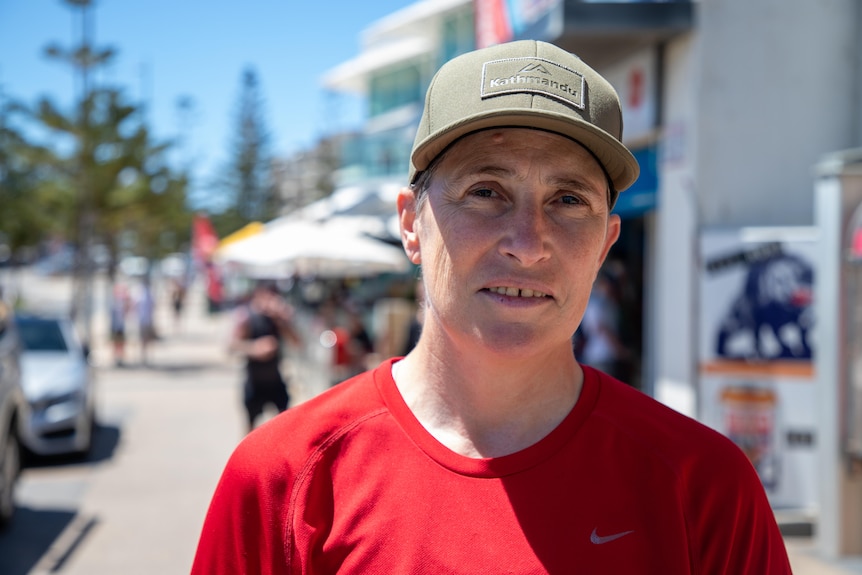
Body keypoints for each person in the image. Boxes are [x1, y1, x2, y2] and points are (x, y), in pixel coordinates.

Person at [192, 40, 791, 573]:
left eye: (567, 199)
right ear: (410, 224)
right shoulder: (283, 479)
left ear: (606, 243)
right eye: (485, 191)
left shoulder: (703, 486)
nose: (528, 244)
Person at [229, 281, 301, 432]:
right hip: (255, 382)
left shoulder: (277, 319)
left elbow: (297, 343)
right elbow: (232, 345)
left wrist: (282, 321)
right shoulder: (247, 317)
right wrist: (255, 348)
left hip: (275, 380)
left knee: (286, 425)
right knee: (250, 429)